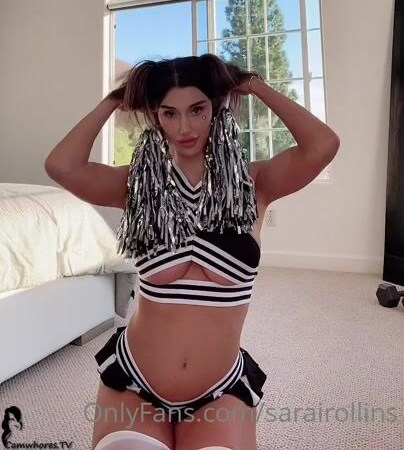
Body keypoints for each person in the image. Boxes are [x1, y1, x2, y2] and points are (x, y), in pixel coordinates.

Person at [45, 53, 340, 450]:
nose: (184, 127)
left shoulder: (254, 182)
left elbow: (323, 145)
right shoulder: (138, 185)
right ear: (156, 116)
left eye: (197, 110)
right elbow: (61, 166)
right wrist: (114, 100)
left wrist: (254, 86)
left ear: (215, 108)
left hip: (218, 389)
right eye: (169, 113)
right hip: (135, 382)